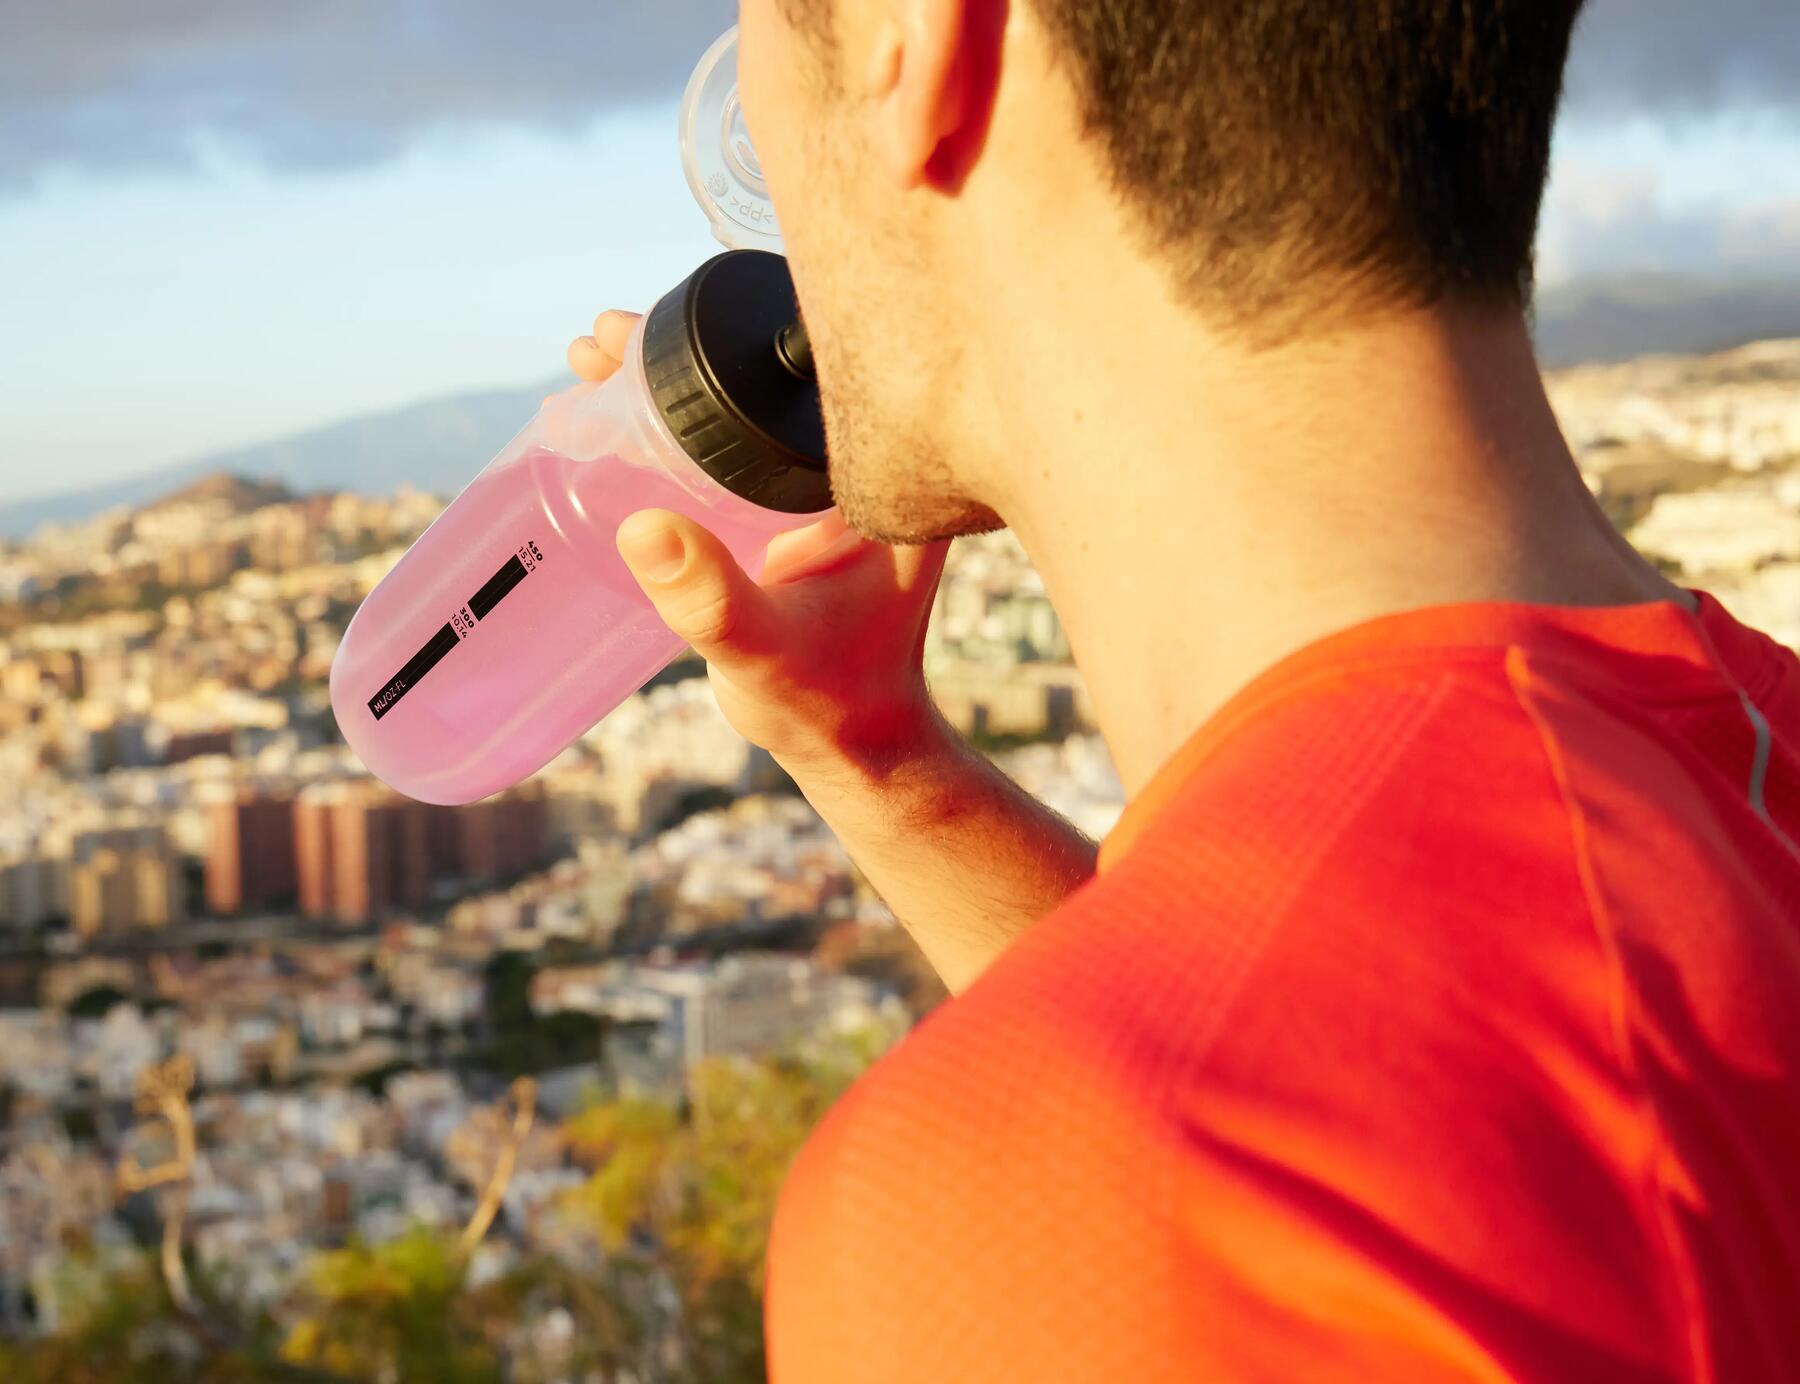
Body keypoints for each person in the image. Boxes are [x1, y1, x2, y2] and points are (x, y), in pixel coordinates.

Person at [567, 1, 1800, 1379]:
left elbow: (1214, 1163)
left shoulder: (1025, 1219)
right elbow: (1377, 1058)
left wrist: (1035, 1144)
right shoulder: (1743, 777)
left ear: (922, 41)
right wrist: (878, 763)